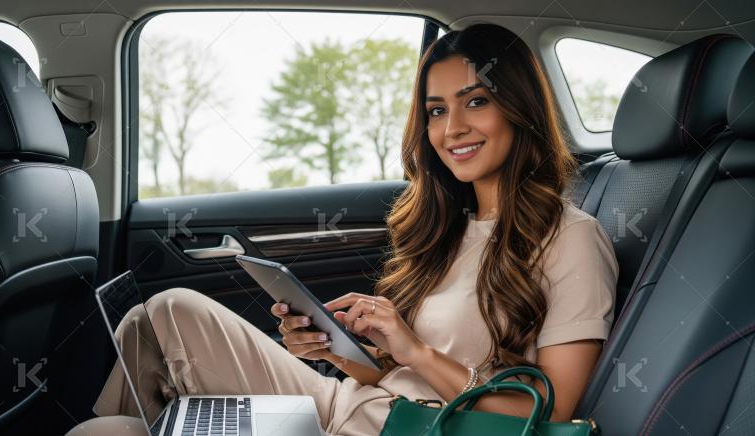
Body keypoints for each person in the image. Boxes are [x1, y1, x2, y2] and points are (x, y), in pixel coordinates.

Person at [68, 22, 618, 436]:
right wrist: (337, 351)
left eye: (476, 102)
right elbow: (397, 377)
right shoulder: (452, 227)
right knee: (164, 314)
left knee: (105, 433)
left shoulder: (570, 238)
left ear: (518, 109)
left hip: (400, 430)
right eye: (435, 110)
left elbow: (548, 415)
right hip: (347, 404)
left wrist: (415, 350)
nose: (453, 129)